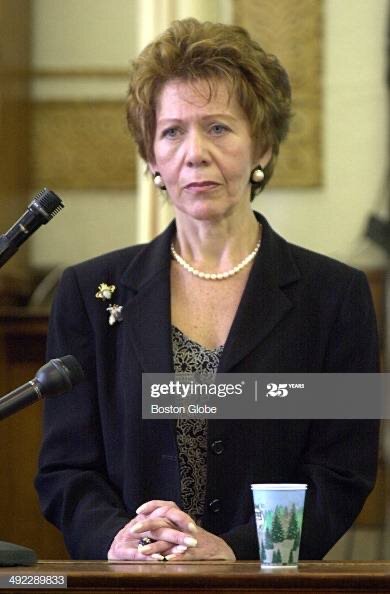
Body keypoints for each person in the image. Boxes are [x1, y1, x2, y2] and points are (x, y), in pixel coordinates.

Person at [35, 18, 380, 561]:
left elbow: (342, 471)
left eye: (218, 127)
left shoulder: (335, 296)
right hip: (130, 582)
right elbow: (65, 468)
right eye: (172, 131)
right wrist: (117, 541)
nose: (194, 152)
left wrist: (236, 552)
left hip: (267, 583)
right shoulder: (88, 292)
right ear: (151, 157)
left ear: (261, 145)